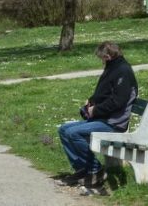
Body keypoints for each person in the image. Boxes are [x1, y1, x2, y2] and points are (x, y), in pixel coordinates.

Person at [57, 41, 138, 188]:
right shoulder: (112, 68)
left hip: (113, 123)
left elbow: (117, 101)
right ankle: (83, 170)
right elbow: (104, 93)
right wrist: (91, 102)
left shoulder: (123, 71)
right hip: (104, 119)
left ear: (107, 56)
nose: (101, 61)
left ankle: (96, 170)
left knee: (73, 133)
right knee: (63, 129)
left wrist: (96, 110)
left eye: (101, 58)